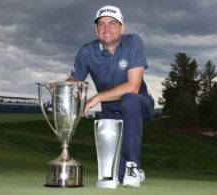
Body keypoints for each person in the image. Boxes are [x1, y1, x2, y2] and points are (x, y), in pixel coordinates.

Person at [66, 5, 154, 187]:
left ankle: (133, 164)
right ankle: (133, 170)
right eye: (101, 24)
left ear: (122, 27)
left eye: (112, 23)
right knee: (118, 177)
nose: (106, 29)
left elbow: (133, 86)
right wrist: (66, 94)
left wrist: (97, 97)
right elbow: (74, 82)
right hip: (111, 111)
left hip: (138, 104)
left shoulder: (133, 42)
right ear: (96, 30)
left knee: (129, 99)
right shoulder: (86, 51)